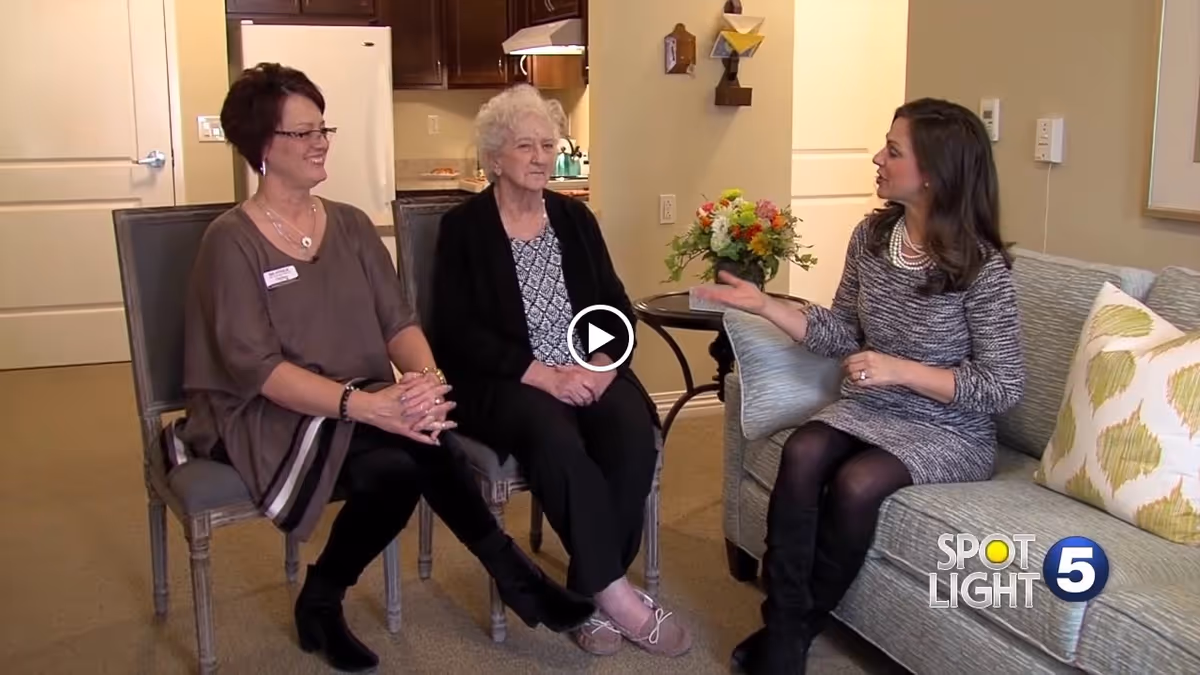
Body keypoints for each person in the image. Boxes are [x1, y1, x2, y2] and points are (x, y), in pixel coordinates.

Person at [178, 63, 594, 673]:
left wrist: (427, 383)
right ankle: (509, 576)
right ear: (263, 147)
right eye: (303, 133)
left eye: (324, 128)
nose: (321, 141)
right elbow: (257, 369)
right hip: (264, 412)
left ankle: (323, 599)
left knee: (410, 448)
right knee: (403, 461)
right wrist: (368, 405)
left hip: (355, 397)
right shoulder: (230, 240)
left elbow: (398, 322)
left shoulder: (347, 223)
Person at [696, 98, 1026, 674]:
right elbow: (844, 330)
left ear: (933, 173)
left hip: (948, 430)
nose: (877, 158)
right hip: (873, 407)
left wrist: (900, 369)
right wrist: (769, 305)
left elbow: (1002, 386)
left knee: (855, 485)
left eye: (893, 151)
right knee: (803, 450)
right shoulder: (872, 238)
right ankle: (786, 631)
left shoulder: (981, 267)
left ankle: (787, 638)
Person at [429, 84, 693, 658]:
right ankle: (618, 596)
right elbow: (454, 331)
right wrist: (543, 375)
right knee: (554, 437)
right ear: (495, 156)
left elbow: (613, 305)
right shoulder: (465, 228)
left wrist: (599, 364)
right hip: (507, 381)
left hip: (584, 368)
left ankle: (584, 595)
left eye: (549, 144)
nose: (541, 157)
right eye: (525, 146)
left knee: (628, 433)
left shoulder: (574, 219)